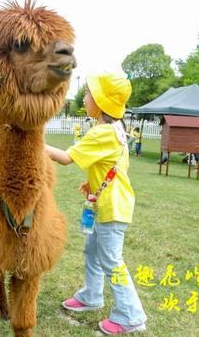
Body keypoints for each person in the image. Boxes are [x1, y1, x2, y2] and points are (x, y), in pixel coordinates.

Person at [46, 73, 147, 335]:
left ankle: (130, 315)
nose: (86, 97)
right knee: (92, 252)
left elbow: (67, 158)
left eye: (90, 93)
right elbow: (112, 165)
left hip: (111, 207)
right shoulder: (115, 130)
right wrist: (93, 184)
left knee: (112, 262)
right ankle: (92, 295)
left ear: (100, 103)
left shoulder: (102, 132)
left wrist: (33, 142)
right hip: (107, 201)